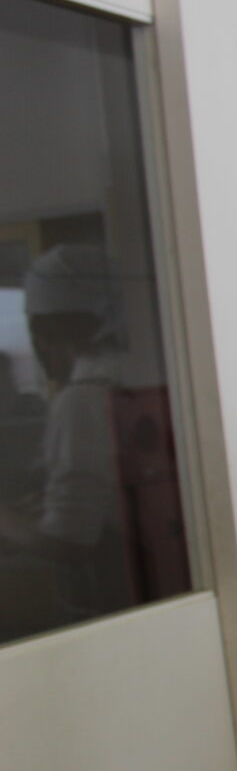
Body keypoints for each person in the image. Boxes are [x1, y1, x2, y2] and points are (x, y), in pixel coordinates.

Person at [0, 244, 134, 630]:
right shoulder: (125, 377)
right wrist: (42, 506)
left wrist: (5, 519)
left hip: (108, 608)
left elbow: (70, 543)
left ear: (44, 330)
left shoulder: (81, 400)